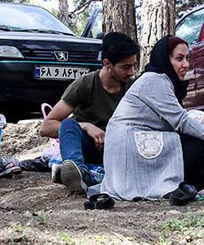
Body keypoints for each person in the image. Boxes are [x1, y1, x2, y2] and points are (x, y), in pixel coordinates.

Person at [100, 35, 204, 201]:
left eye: (187, 58)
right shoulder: (154, 79)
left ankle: (180, 184)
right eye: (179, 59)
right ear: (165, 59)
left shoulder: (166, 81)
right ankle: (158, 185)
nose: (185, 65)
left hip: (139, 140)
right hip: (128, 147)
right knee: (198, 144)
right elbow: (180, 121)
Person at [40, 32, 139, 194]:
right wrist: (85, 126)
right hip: (88, 148)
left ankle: (86, 174)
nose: (131, 72)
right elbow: (46, 127)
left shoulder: (134, 88)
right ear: (107, 63)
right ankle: (76, 173)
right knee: (68, 124)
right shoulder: (86, 84)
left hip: (120, 150)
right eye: (126, 67)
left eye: (133, 65)